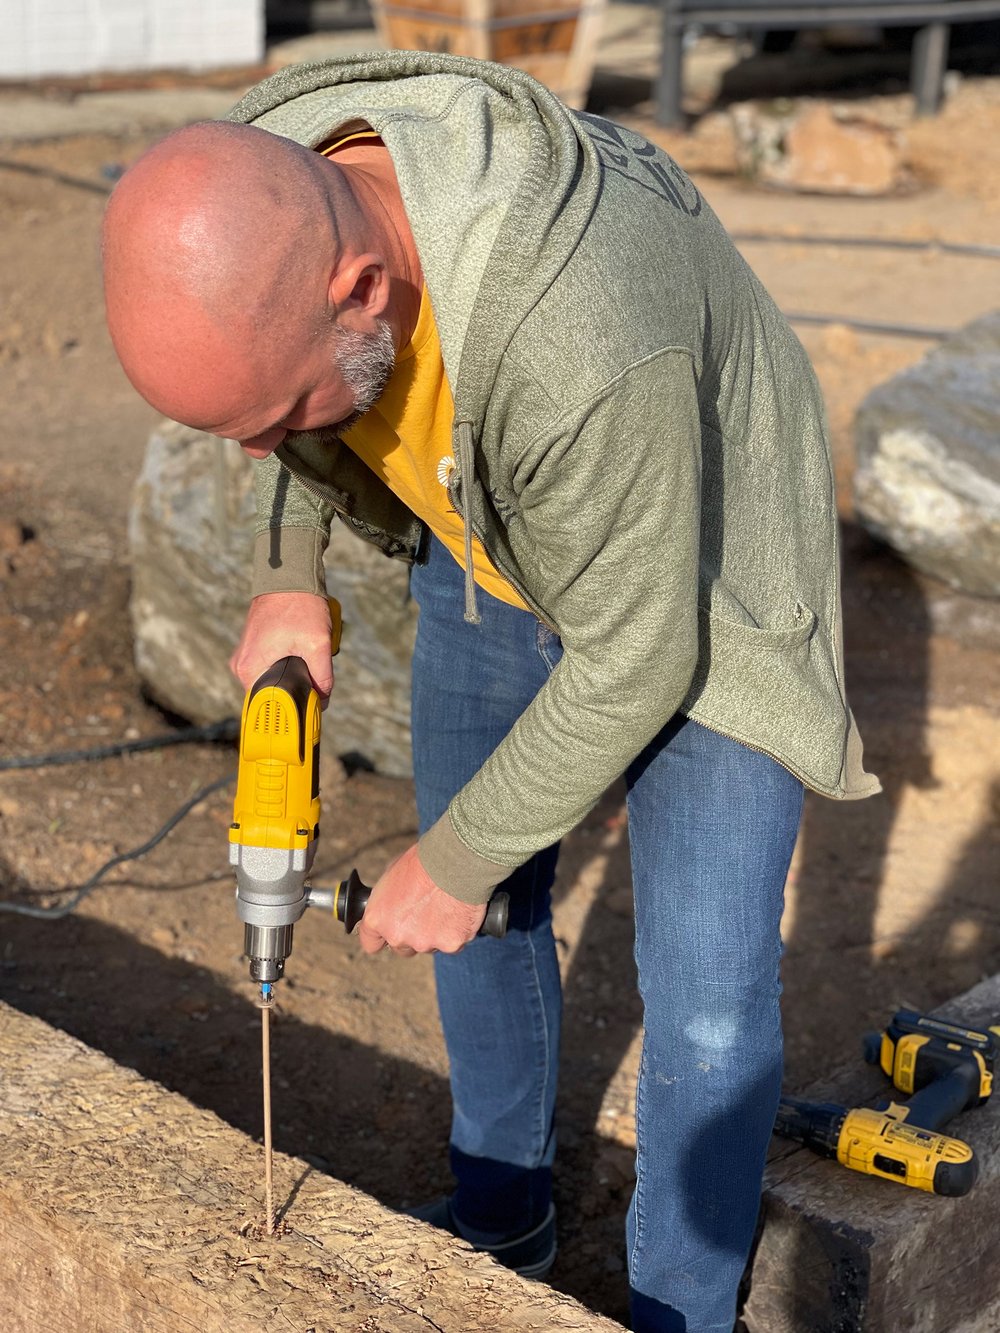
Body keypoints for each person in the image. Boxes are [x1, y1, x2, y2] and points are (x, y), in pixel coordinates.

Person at [102, 50, 879, 1333]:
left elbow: (639, 652)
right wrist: (285, 569)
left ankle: (676, 1311)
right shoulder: (278, 160)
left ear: (363, 286)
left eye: (279, 412)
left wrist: (456, 854)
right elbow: (281, 406)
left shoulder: (580, 329)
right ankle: (500, 1219)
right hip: (485, 536)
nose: (262, 449)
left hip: (701, 586)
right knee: (489, 913)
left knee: (707, 1006)